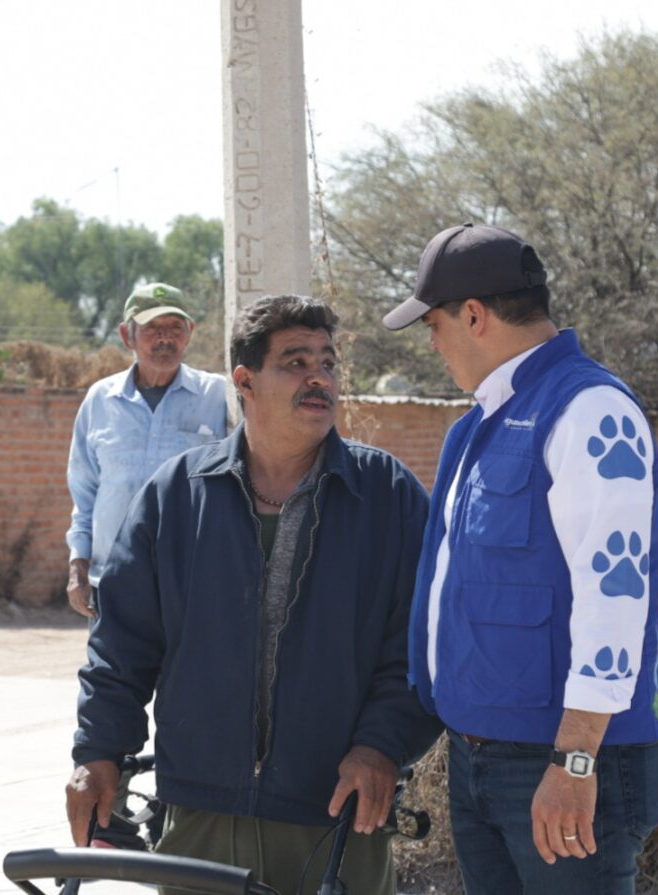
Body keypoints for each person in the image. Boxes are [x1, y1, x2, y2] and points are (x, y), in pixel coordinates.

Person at [66, 294, 442, 895]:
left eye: (328, 361)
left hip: (336, 819)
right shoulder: (176, 496)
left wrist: (382, 746)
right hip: (201, 820)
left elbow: (423, 642)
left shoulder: (386, 496)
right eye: (296, 362)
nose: (319, 376)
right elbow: (121, 642)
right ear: (244, 380)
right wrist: (99, 751)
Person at [382, 223, 658, 895]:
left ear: (474, 316)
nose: (432, 342)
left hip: (561, 764)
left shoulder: (591, 410)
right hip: (481, 758)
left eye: (434, 324)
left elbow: (617, 595)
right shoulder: (477, 426)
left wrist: (573, 760)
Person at [66, 282, 226, 619]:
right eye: (152, 328)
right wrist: (77, 567)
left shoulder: (217, 396)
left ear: (190, 333)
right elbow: (85, 495)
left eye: (174, 327)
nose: (164, 338)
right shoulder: (100, 400)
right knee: (112, 673)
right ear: (127, 336)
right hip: (113, 582)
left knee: (190, 674)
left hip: (192, 584)